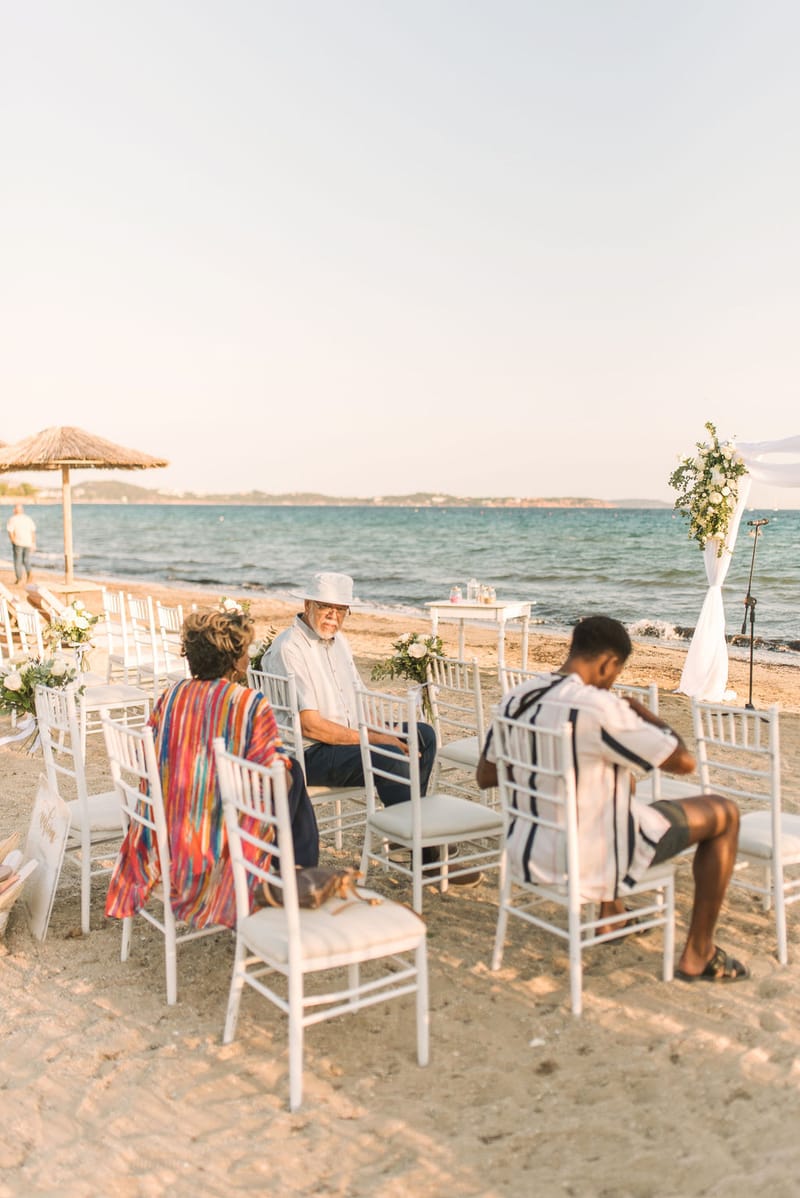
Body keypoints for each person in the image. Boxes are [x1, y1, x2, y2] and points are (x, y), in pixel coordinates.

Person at [477, 615, 749, 983]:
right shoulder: (598, 708)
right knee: (725, 813)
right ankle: (699, 953)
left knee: (627, 790)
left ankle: (611, 916)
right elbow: (683, 763)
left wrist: (546, 770)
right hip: (587, 858)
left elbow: (486, 775)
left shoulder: (517, 698)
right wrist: (648, 716)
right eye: (616, 671)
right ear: (608, 663)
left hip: (530, 847)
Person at [106, 604, 319, 930]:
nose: (248, 659)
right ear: (234, 661)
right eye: (245, 652)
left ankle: (295, 870)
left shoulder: (170, 696)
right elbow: (270, 780)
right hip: (216, 839)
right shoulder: (248, 703)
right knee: (291, 775)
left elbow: (152, 756)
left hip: (167, 828)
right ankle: (297, 875)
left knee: (288, 774)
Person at [262, 572, 438, 809]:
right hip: (309, 753)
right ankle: (418, 837)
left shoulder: (340, 641)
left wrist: (386, 730)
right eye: (326, 607)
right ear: (307, 604)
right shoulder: (290, 647)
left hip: (345, 738)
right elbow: (311, 725)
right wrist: (377, 739)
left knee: (423, 736)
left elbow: (359, 701)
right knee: (389, 756)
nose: (333, 616)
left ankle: (406, 823)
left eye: (341, 609)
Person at [6, 504, 36, 584]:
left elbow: (10, 531)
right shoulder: (28, 518)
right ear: (22, 511)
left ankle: (19, 578)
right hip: (28, 542)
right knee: (26, 559)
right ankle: (29, 573)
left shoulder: (12, 519)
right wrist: (33, 542)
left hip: (18, 542)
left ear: (15, 510)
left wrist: (13, 540)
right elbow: (33, 531)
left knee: (17, 561)